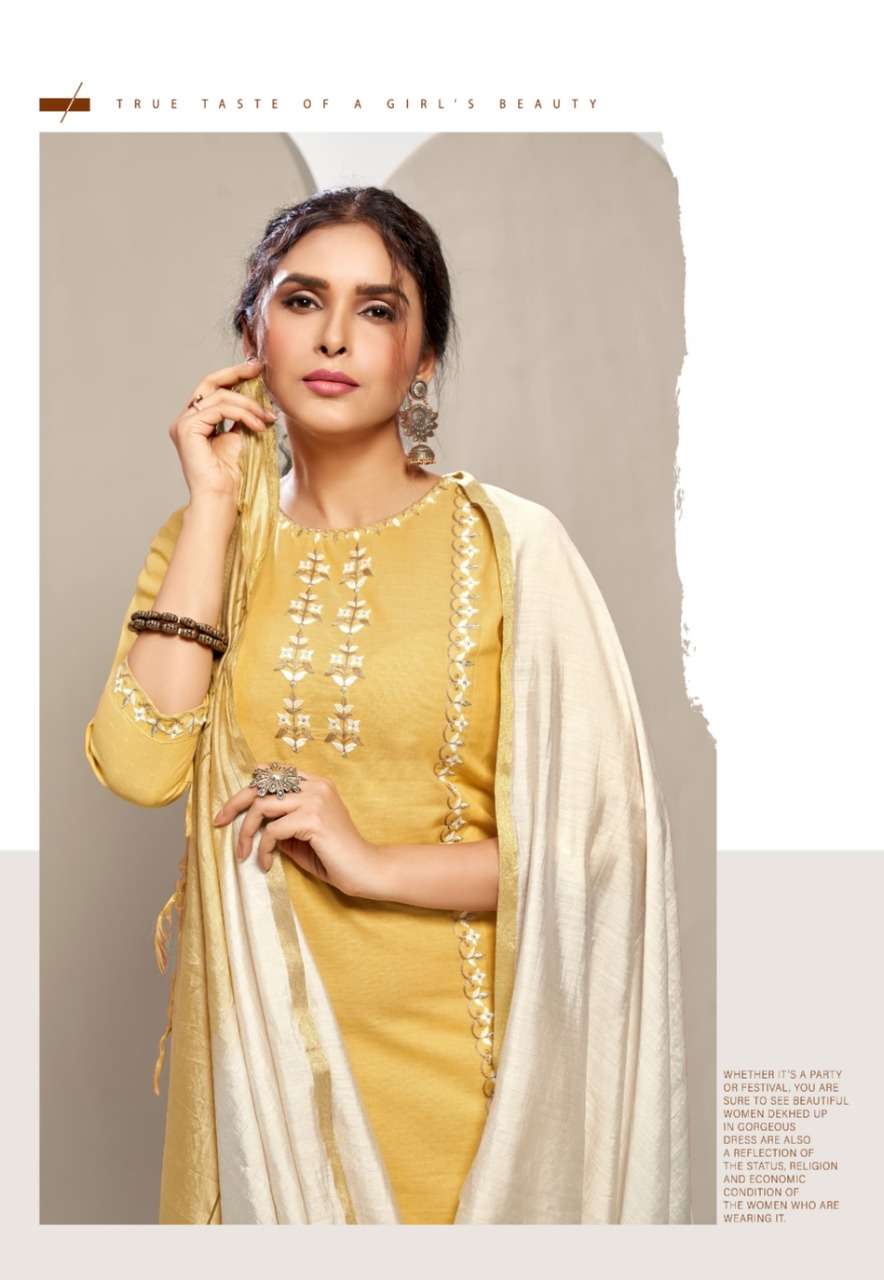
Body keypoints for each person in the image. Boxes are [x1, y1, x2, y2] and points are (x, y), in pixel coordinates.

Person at [84, 187, 692, 1225]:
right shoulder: (201, 543)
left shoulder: (513, 550)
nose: (333, 335)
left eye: (376, 308)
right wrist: (216, 507)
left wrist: (373, 864)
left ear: (423, 359)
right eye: (301, 300)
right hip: (261, 1085)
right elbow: (140, 767)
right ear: (252, 336)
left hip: (461, 1092)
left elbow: (600, 857)